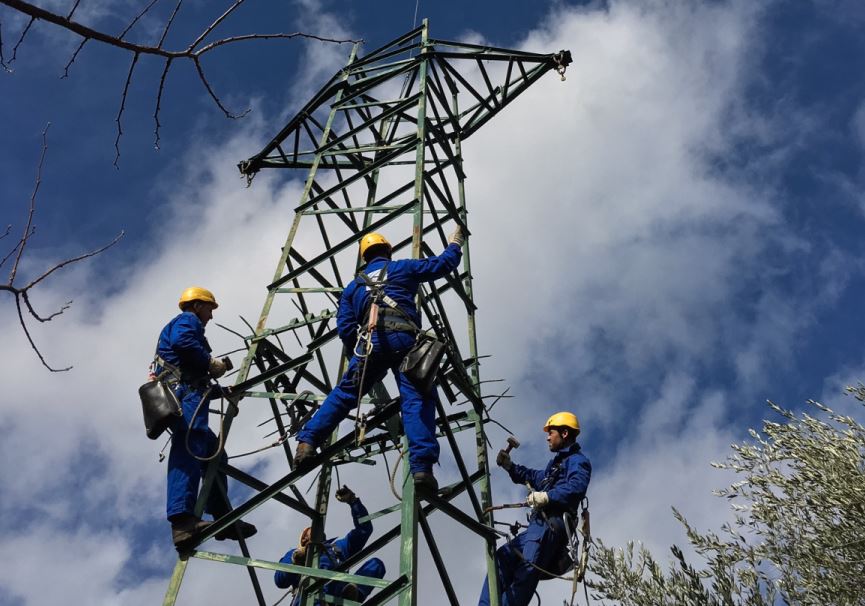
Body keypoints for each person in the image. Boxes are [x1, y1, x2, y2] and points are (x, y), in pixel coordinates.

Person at [294, 229, 464, 492]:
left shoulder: (353, 287)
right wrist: (455, 244)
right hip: (404, 339)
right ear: (388, 250)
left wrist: (362, 353)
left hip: (369, 343)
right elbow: (442, 265)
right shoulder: (401, 268)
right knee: (417, 398)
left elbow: (346, 328)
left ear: (365, 257)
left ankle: (307, 443)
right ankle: (421, 469)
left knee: (344, 394)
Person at [156, 286, 257, 546]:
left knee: (214, 452)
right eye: (210, 309)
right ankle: (182, 520)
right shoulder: (188, 319)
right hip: (184, 396)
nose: (211, 316)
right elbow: (183, 343)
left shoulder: (188, 325)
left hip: (189, 393)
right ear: (198, 305)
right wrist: (210, 362)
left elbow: (196, 382)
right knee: (190, 445)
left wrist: (223, 392)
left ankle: (222, 517)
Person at [479, 412, 592, 606]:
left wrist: (547, 496)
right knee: (502, 559)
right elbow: (532, 476)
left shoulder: (577, 461)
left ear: (564, 433)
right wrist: (510, 466)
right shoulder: (555, 466)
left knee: (527, 569)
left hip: (551, 524)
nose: (548, 437)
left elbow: (576, 487)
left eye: (551, 433)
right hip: (538, 526)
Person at [274, 485, 386, 604]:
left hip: (336, 597)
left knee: (375, 565)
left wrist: (353, 501)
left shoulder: (336, 549)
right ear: (303, 541)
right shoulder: (294, 555)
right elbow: (280, 581)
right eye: (307, 534)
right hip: (309, 600)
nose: (312, 532)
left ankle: (352, 597)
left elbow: (364, 530)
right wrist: (296, 561)